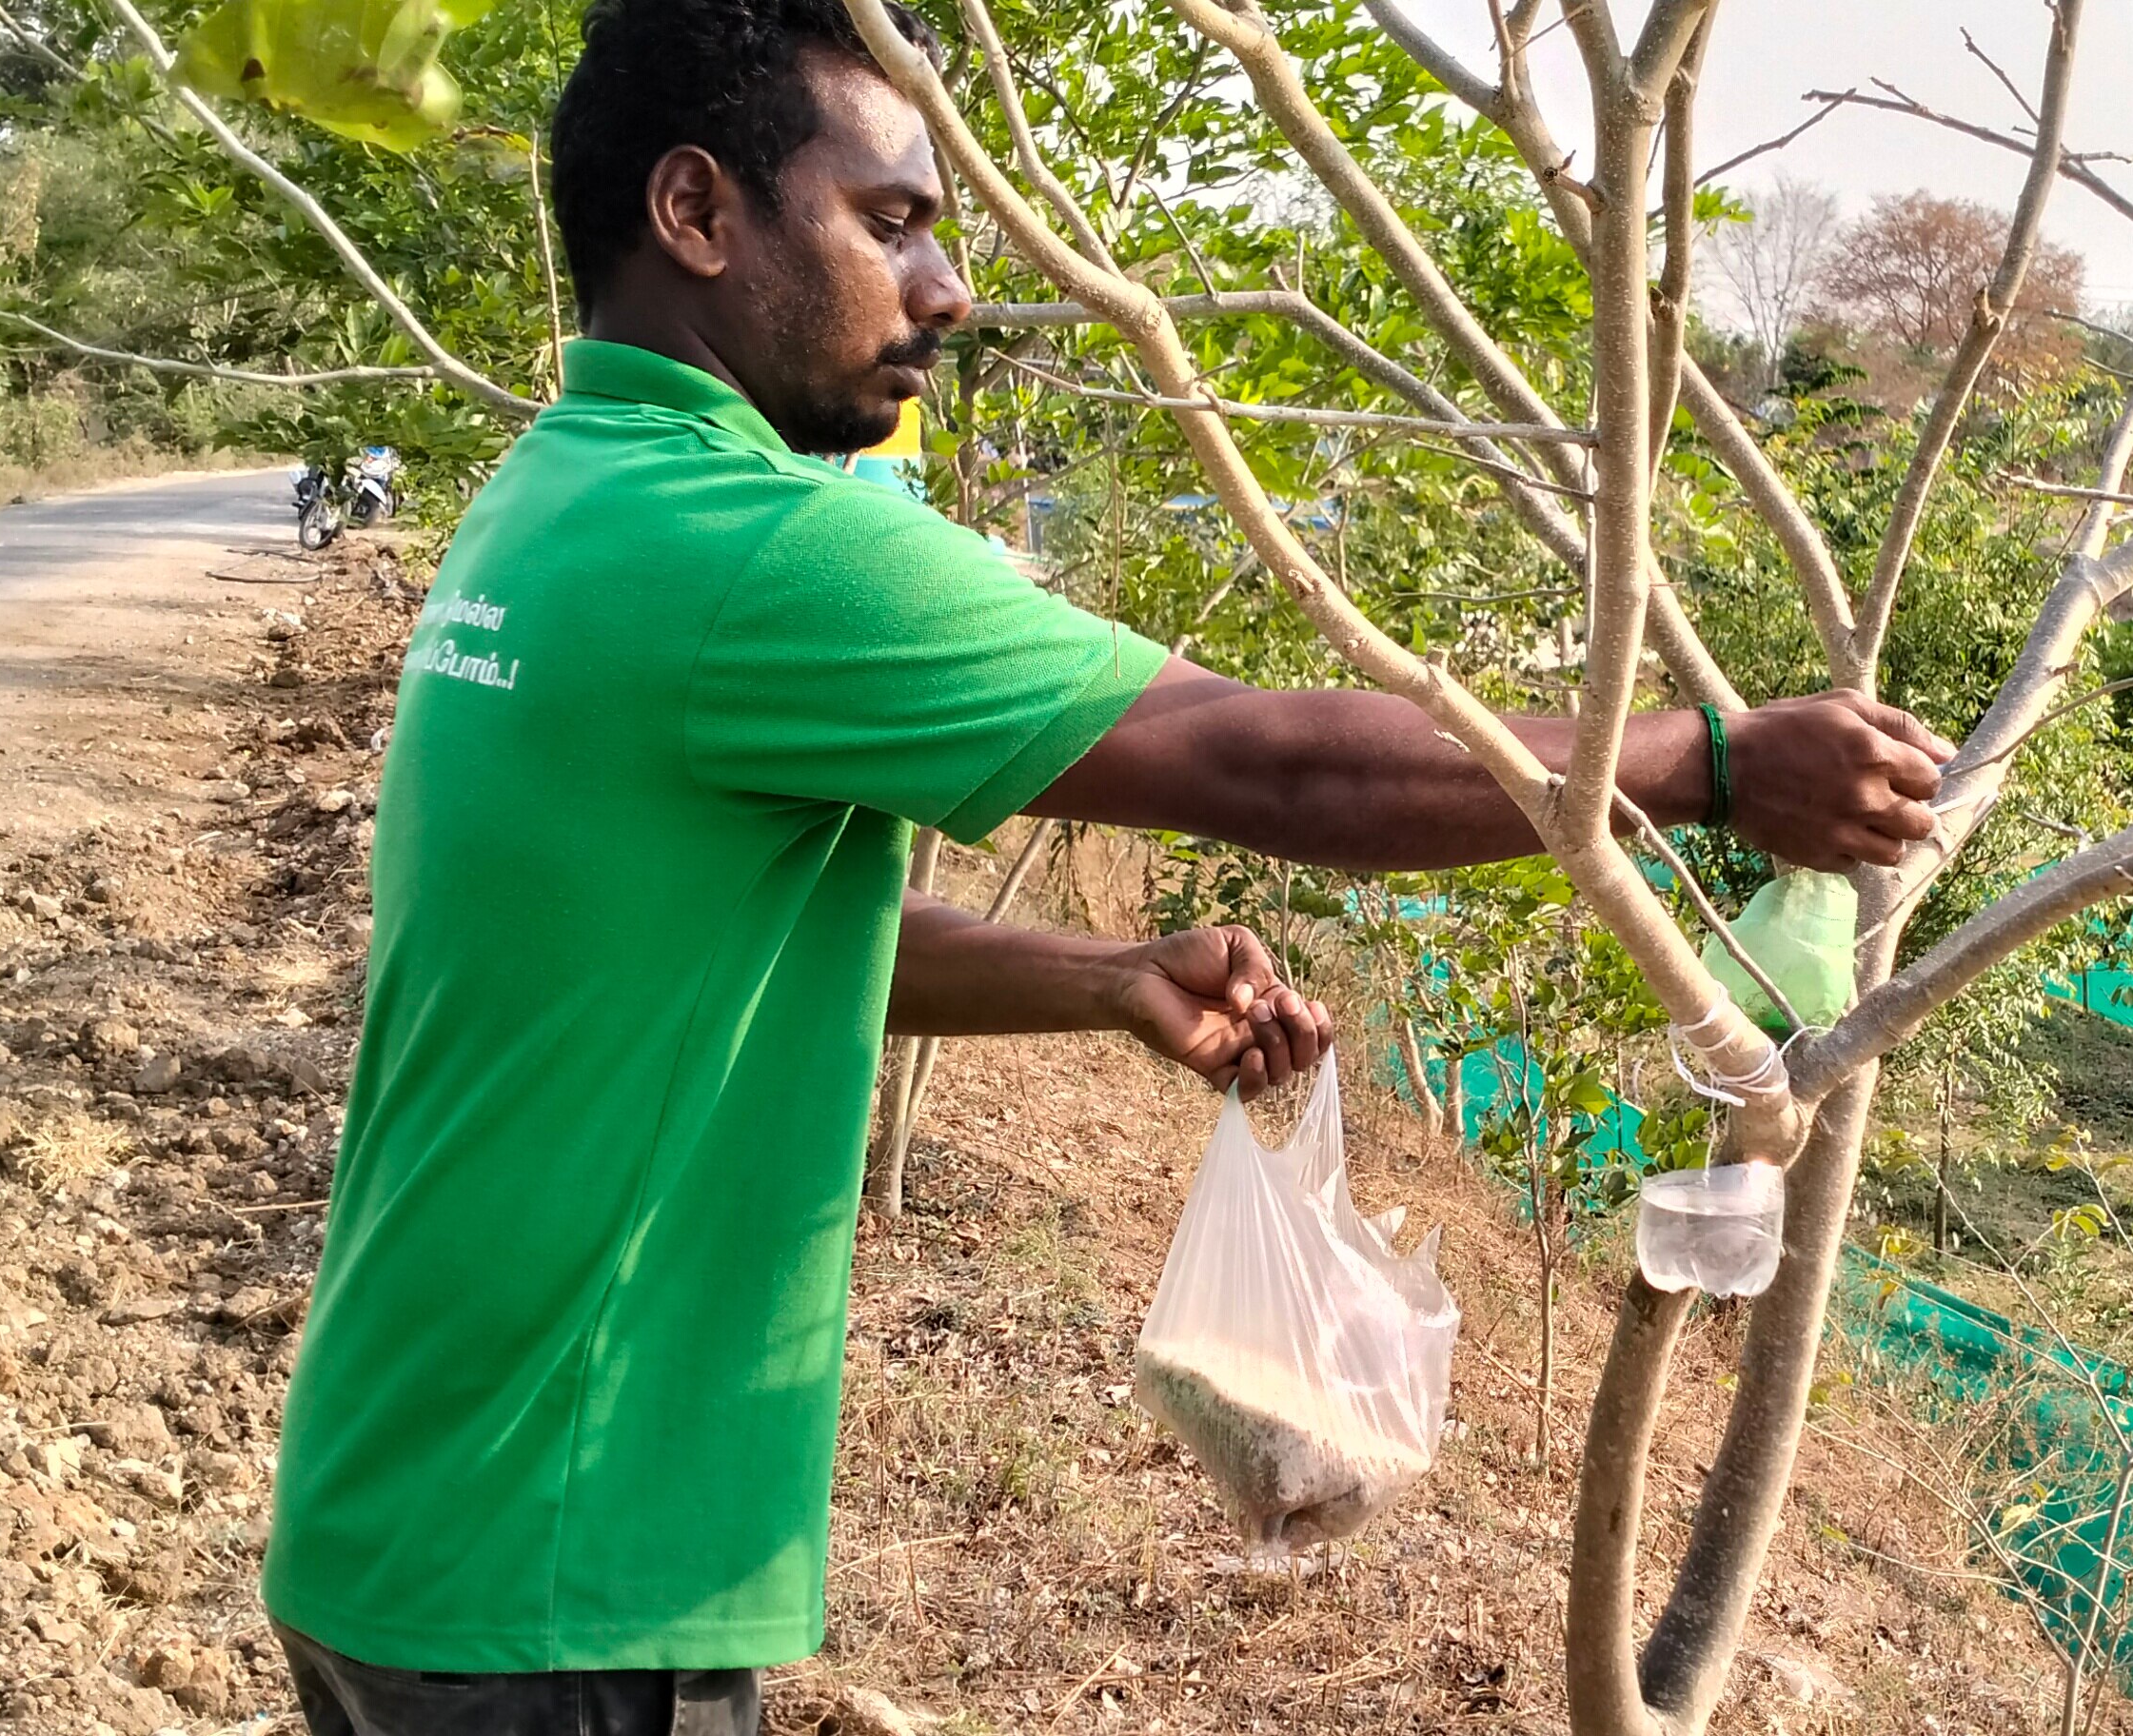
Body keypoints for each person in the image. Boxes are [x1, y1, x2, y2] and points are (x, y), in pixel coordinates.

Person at [254, 0, 1951, 1728]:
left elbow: (703, 928)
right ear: (696, 214)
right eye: (890, 220)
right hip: (552, 1574)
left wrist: (1101, 977)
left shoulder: (556, 497)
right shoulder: (753, 547)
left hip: (408, 1499)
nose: (947, 289)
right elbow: (1263, 759)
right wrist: (1716, 764)